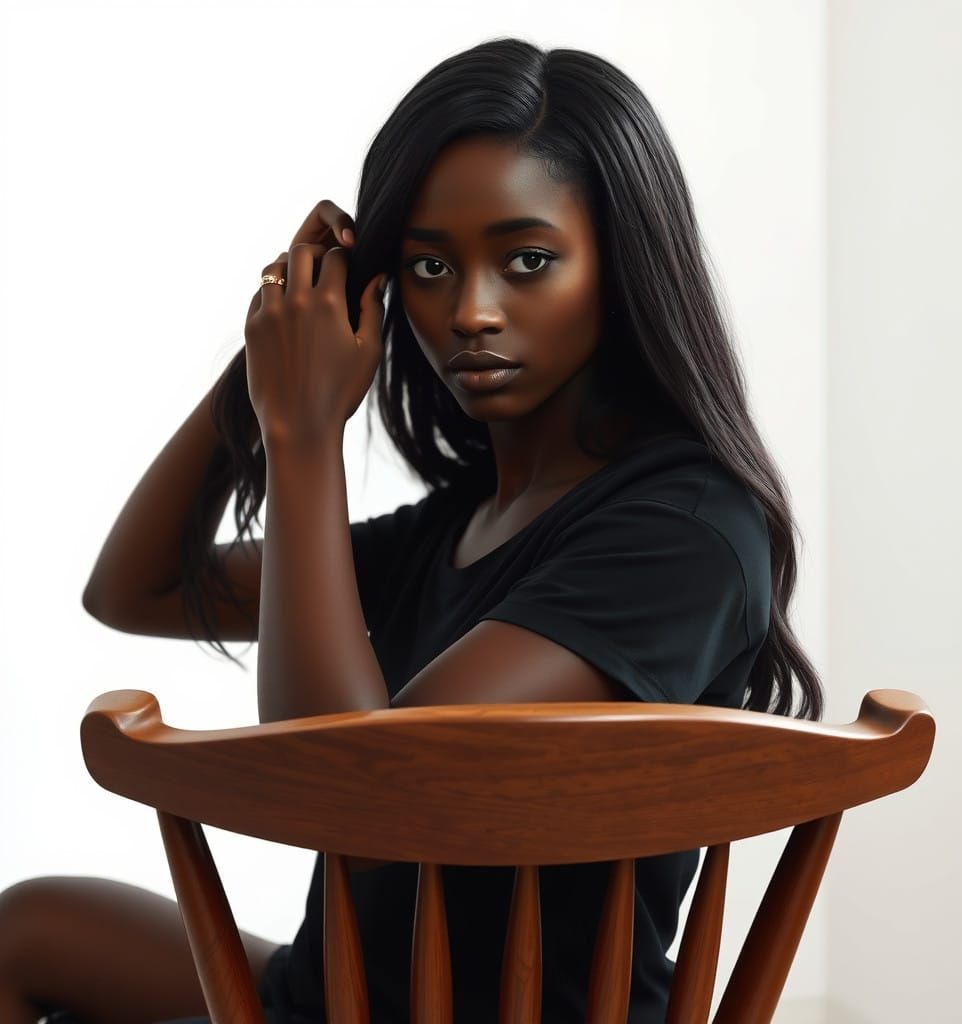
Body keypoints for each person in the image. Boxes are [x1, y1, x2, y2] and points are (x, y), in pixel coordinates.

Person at [0, 36, 824, 1024]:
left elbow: (354, 796)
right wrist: (282, 346)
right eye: (430, 265)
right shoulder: (457, 528)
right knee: (22, 930)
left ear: (620, 262)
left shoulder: (684, 530)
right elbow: (134, 590)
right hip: (339, 993)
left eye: (526, 260)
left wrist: (303, 437)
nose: (470, 311)